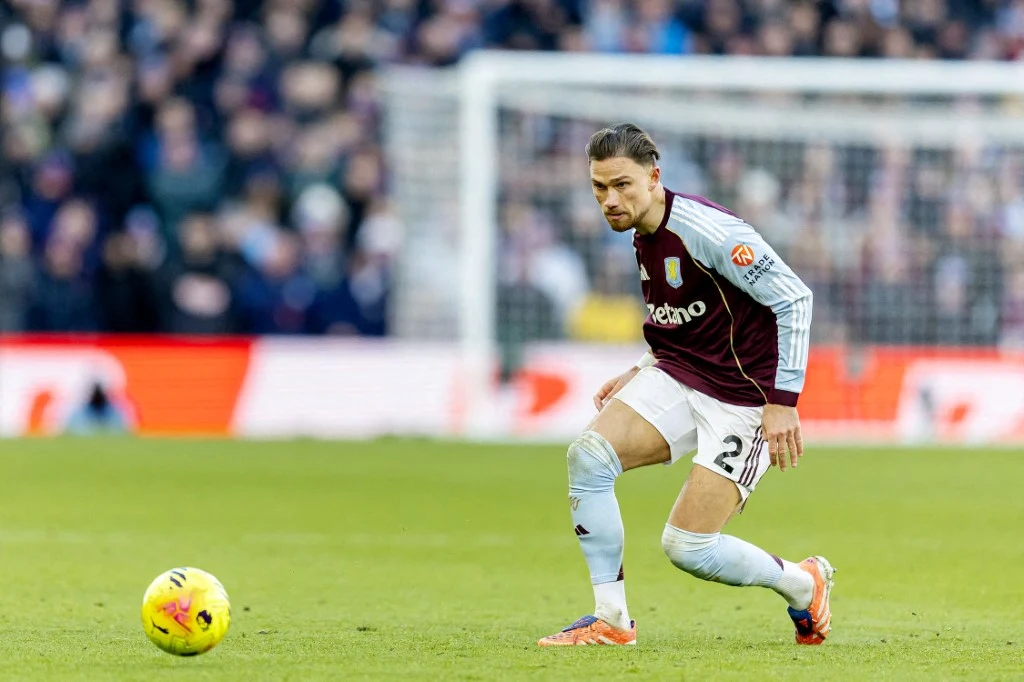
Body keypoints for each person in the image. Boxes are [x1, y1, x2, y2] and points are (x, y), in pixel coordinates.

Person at [538, 124, 832, 647]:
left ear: (654, 177)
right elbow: (691, 314)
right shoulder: (640, 232)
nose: (610, 199)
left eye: (622, 185)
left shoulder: (710, 231)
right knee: (588, 456)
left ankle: (802, 583)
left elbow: (795, 299)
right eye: (599, 188)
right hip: (679, 373)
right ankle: (611, 620)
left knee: (688, 547)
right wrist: (643, 364)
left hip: (743, 398)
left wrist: (782, 401)